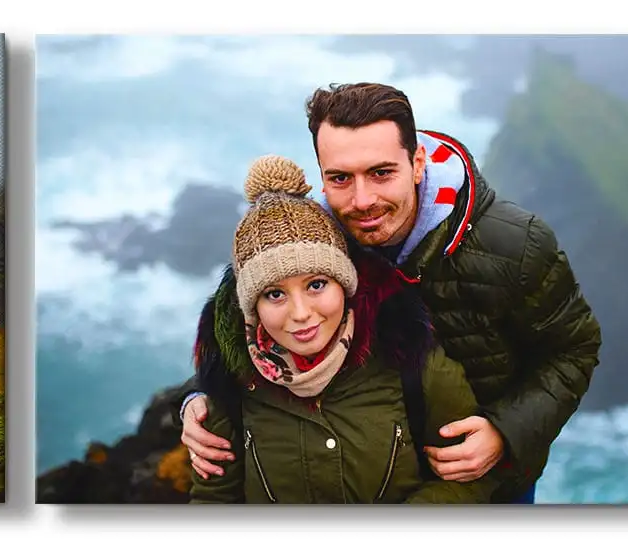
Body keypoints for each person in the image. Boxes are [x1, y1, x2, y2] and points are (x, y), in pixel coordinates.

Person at [182, 82, 602, 502]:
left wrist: (505, 433)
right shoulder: (310, 239)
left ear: (417, 163)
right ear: (321, 176)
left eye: (382, 172)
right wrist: (198, 401)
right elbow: (242, 325)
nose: (362, 200)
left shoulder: (515, 244)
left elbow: (573, 348)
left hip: (483, 471)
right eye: (341, 178)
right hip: (364, 468)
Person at [191, 155, 497, 503]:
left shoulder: (411, 358)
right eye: (274, 294)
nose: (302, 313)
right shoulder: (229, 383)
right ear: (252, 308)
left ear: (345, 283)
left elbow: (471, 478)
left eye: (317, 285)